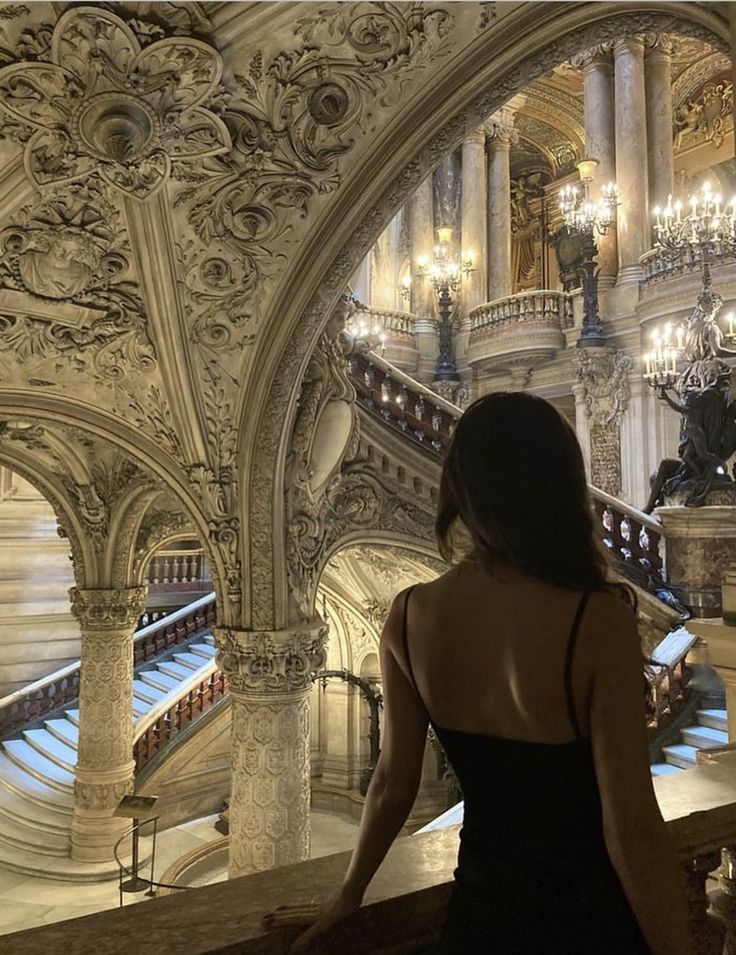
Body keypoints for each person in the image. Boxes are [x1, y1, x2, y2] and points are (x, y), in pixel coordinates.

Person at [263, 392, 693, 954]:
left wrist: (349, 894)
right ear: (561, 488)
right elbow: (631, 829)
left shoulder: (410, 614)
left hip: (481, 919)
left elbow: (393, 784)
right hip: (586, 921)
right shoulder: (596, 620)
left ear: (461, 490)